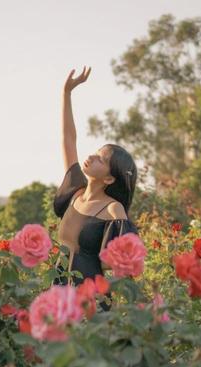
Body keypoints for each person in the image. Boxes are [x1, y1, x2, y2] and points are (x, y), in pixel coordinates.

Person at [52, 66, 140, 310]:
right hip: (58, 296)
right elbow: (68, 138)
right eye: (97, 153)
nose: (92, 157)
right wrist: (66, 93)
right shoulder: (75, 193)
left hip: (91, 306)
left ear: (110, 179)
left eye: (101, 159)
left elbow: (128, 260)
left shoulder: (113, 210)